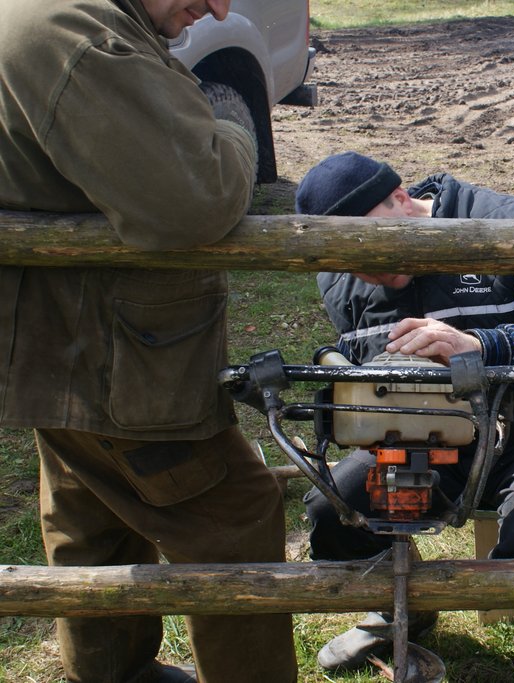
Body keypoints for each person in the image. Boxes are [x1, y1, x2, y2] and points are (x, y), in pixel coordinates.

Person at [0, 1, 298, 682]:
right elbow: (199, 195)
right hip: (115, 363)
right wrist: (233, 124)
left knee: (91, 509)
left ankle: (113, 673)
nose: (218, 9)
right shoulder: (76, 42)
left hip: (67, 349)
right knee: (236, 516)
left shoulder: (69, 18)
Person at [296, 151, 514, 683]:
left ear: (401, 198)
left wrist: (482, 346)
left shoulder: (508, 228)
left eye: (375, 246)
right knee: (337, 511)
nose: (371, 272)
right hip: (424, 443)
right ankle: (402, 608)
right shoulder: (341, 280)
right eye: (352, 261)